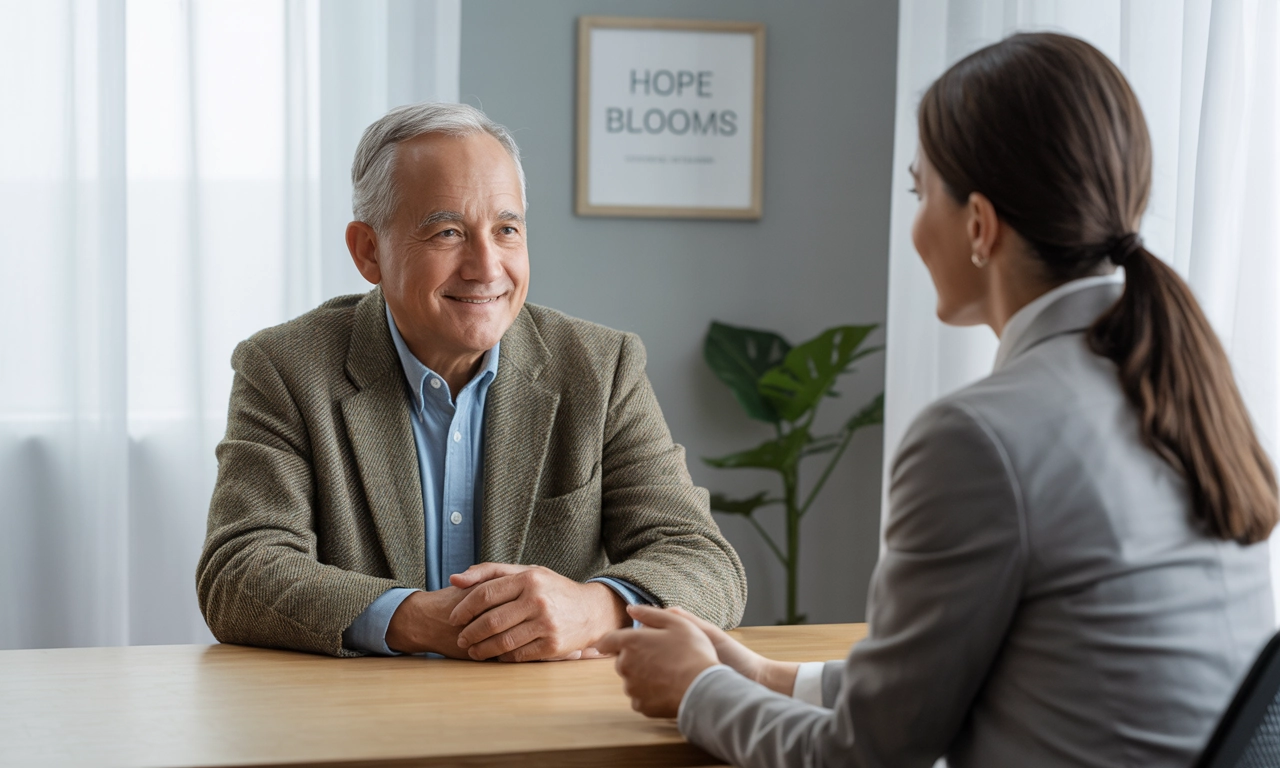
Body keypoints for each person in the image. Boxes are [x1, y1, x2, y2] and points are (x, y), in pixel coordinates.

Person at [599, 32, 1277, 767]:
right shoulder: (1177, 386)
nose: (917, 226)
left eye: (921, 194)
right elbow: (966, 682)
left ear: (980, 226)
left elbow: (864, 757)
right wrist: (760, 674)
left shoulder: (981, 438)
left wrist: (697, 691)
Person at [196, 102, 746, 660]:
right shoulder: (285, 368)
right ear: (368, 251)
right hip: (364, 720)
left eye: (506, 229)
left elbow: (704, 560)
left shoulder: (601, 368)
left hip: (551, 719)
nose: (486, 267)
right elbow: (240, 571)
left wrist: (593, 608)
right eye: (448, 232)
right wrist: (415, 619)